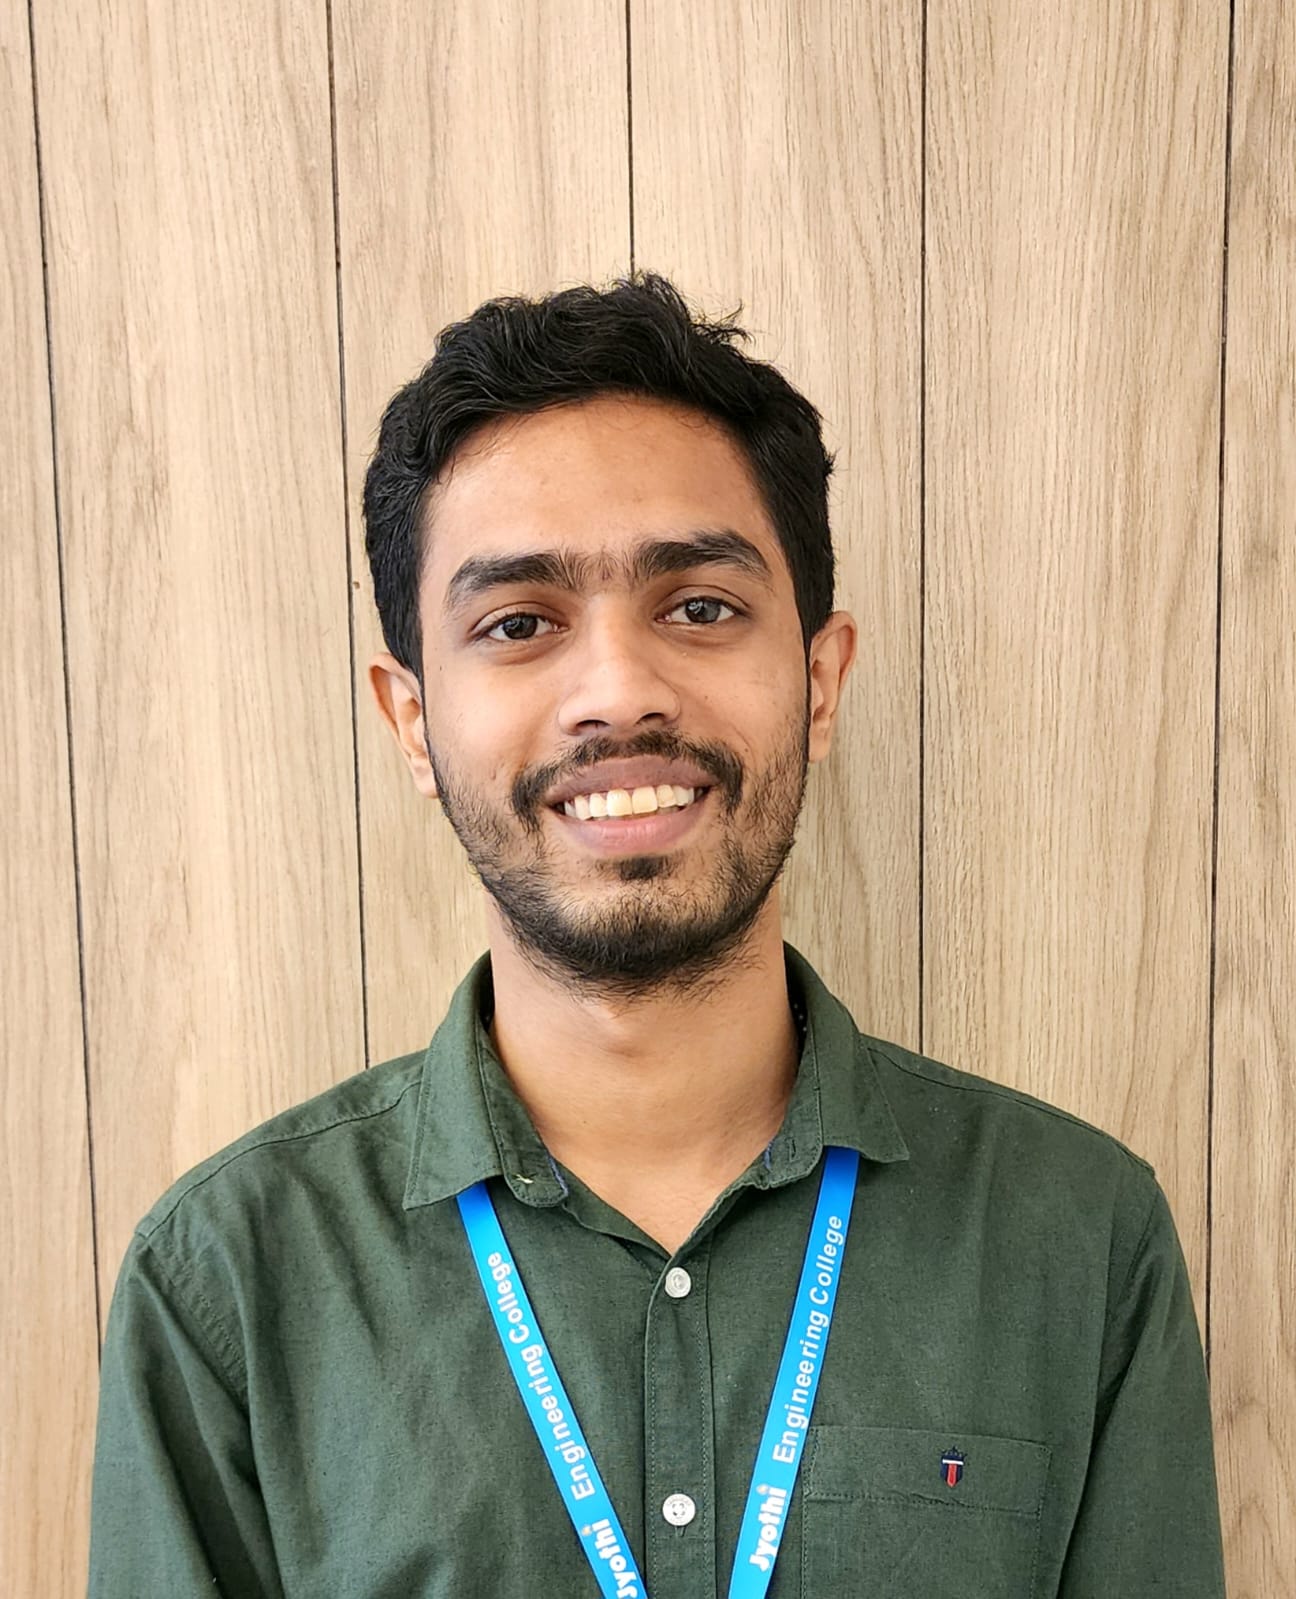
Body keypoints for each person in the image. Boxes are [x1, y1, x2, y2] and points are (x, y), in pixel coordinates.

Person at [88, 273, 1226, 1597]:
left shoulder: (1076, 1238)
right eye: (519, 624)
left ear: (819, 682)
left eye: (698, 607)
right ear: (413, 722)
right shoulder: (230, 1282)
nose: (619, 691)